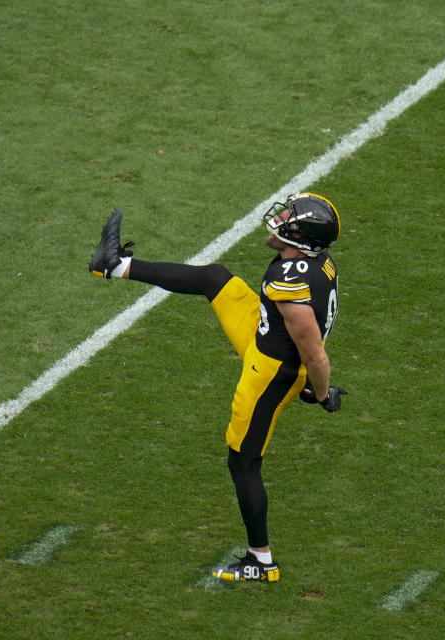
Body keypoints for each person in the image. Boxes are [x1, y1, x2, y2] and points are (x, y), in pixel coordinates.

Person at [88, 193, 346, 582]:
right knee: (215, 278)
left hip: (270, 372)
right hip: (265, 336)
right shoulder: (311, 262)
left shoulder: (291, 283)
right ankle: (113, 265)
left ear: (301, 239)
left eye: (290, 218)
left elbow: (315, 355)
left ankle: (261, 561)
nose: (281, 219)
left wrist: (320, 392)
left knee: (243, 460)